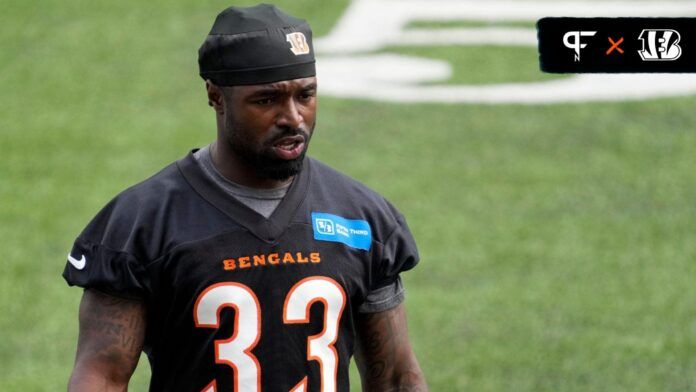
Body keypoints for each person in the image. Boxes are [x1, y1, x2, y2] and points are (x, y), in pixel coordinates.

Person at [64, 4, 427, 391]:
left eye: (305, 95)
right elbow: (102, 375)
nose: (293, 117)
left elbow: (394, 377)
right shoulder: (142, 224)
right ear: (216, 96)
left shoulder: (363, 218)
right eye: (266, 100)